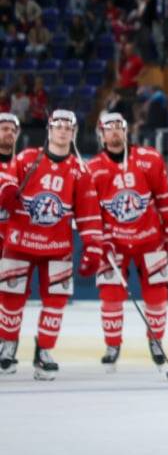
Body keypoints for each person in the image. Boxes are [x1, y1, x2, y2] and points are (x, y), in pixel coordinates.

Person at [0, 111, 105, 380]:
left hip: (58, 247)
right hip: (20, 241)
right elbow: (7, 178)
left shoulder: (80, 170)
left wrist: (93, 246)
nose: (62, 130)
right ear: (49, 129)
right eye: (58, 125)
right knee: (10, 297)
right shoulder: (26, 158)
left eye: (68, 127)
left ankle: (44, 350)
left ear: (74, 133)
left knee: (56, 301)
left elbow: (89, 214)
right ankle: (7, 346)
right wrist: (5, 190)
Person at [87, 113, 168, 373]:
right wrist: (101, 239)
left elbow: (164, 197)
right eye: (109, 129)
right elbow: (91, 212)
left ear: (126, 131)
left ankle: (156, 341)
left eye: (119, 127)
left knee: (157, 292)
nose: (115, 132)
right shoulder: (93, 168)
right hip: (115, 241)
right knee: (110, 293)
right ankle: (112, 345)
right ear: (101, 135)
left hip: (149, 237)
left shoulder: (149, 159)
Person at [0, 113, 20, 250]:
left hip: (13, 244)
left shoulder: (22, 166)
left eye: (13, 130)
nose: (10, 133)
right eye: (5, 129)